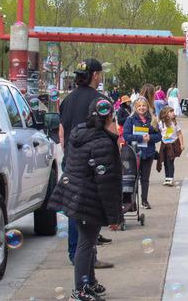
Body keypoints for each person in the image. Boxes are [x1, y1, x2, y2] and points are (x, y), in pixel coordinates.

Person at [48, 97, 123, 301]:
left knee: (88, 242)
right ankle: (80, 290)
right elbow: (106, 183)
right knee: (86, 242)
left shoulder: (82, 133)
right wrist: (115, 216)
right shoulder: (103, 143)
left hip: (76, 194)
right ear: (108, 117)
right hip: (88, 198)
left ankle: (89, 282)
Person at [58, 58, 114, 269]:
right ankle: (87, 256)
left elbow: (62, 132)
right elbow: (111, 133)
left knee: (73, 208)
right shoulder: (101, 100)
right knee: (91, 210)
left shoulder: (67, 100)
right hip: (94, 162)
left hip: (72, 161)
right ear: (96, 75)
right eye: (99, 74)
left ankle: (75, 252)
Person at [122, 97, 161, 209]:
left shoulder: (153, 119)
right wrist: (140, 138)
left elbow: (159, 136)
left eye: (144, 106)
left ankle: (144, 200)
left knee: (145, 178)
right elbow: (126, 135)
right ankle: (131, 202)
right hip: (134, 153)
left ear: (147, 107)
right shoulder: (130, 119)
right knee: (132, 178)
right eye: (139, 106)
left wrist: (150, 137)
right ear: (135, 107)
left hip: (148, 153)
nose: (141, 108)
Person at [156, 106, 183, 186]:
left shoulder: (175, 123)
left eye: (173, 111)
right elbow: (159, 132)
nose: (173, 113)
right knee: (165, 162)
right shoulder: (161, 123)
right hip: (164, 144)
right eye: (171, 112)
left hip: (173, 144)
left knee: (170, 161)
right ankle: (167, 178)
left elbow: (180, 134)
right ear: (166, 114)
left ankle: (170, 178)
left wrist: (182, 144)